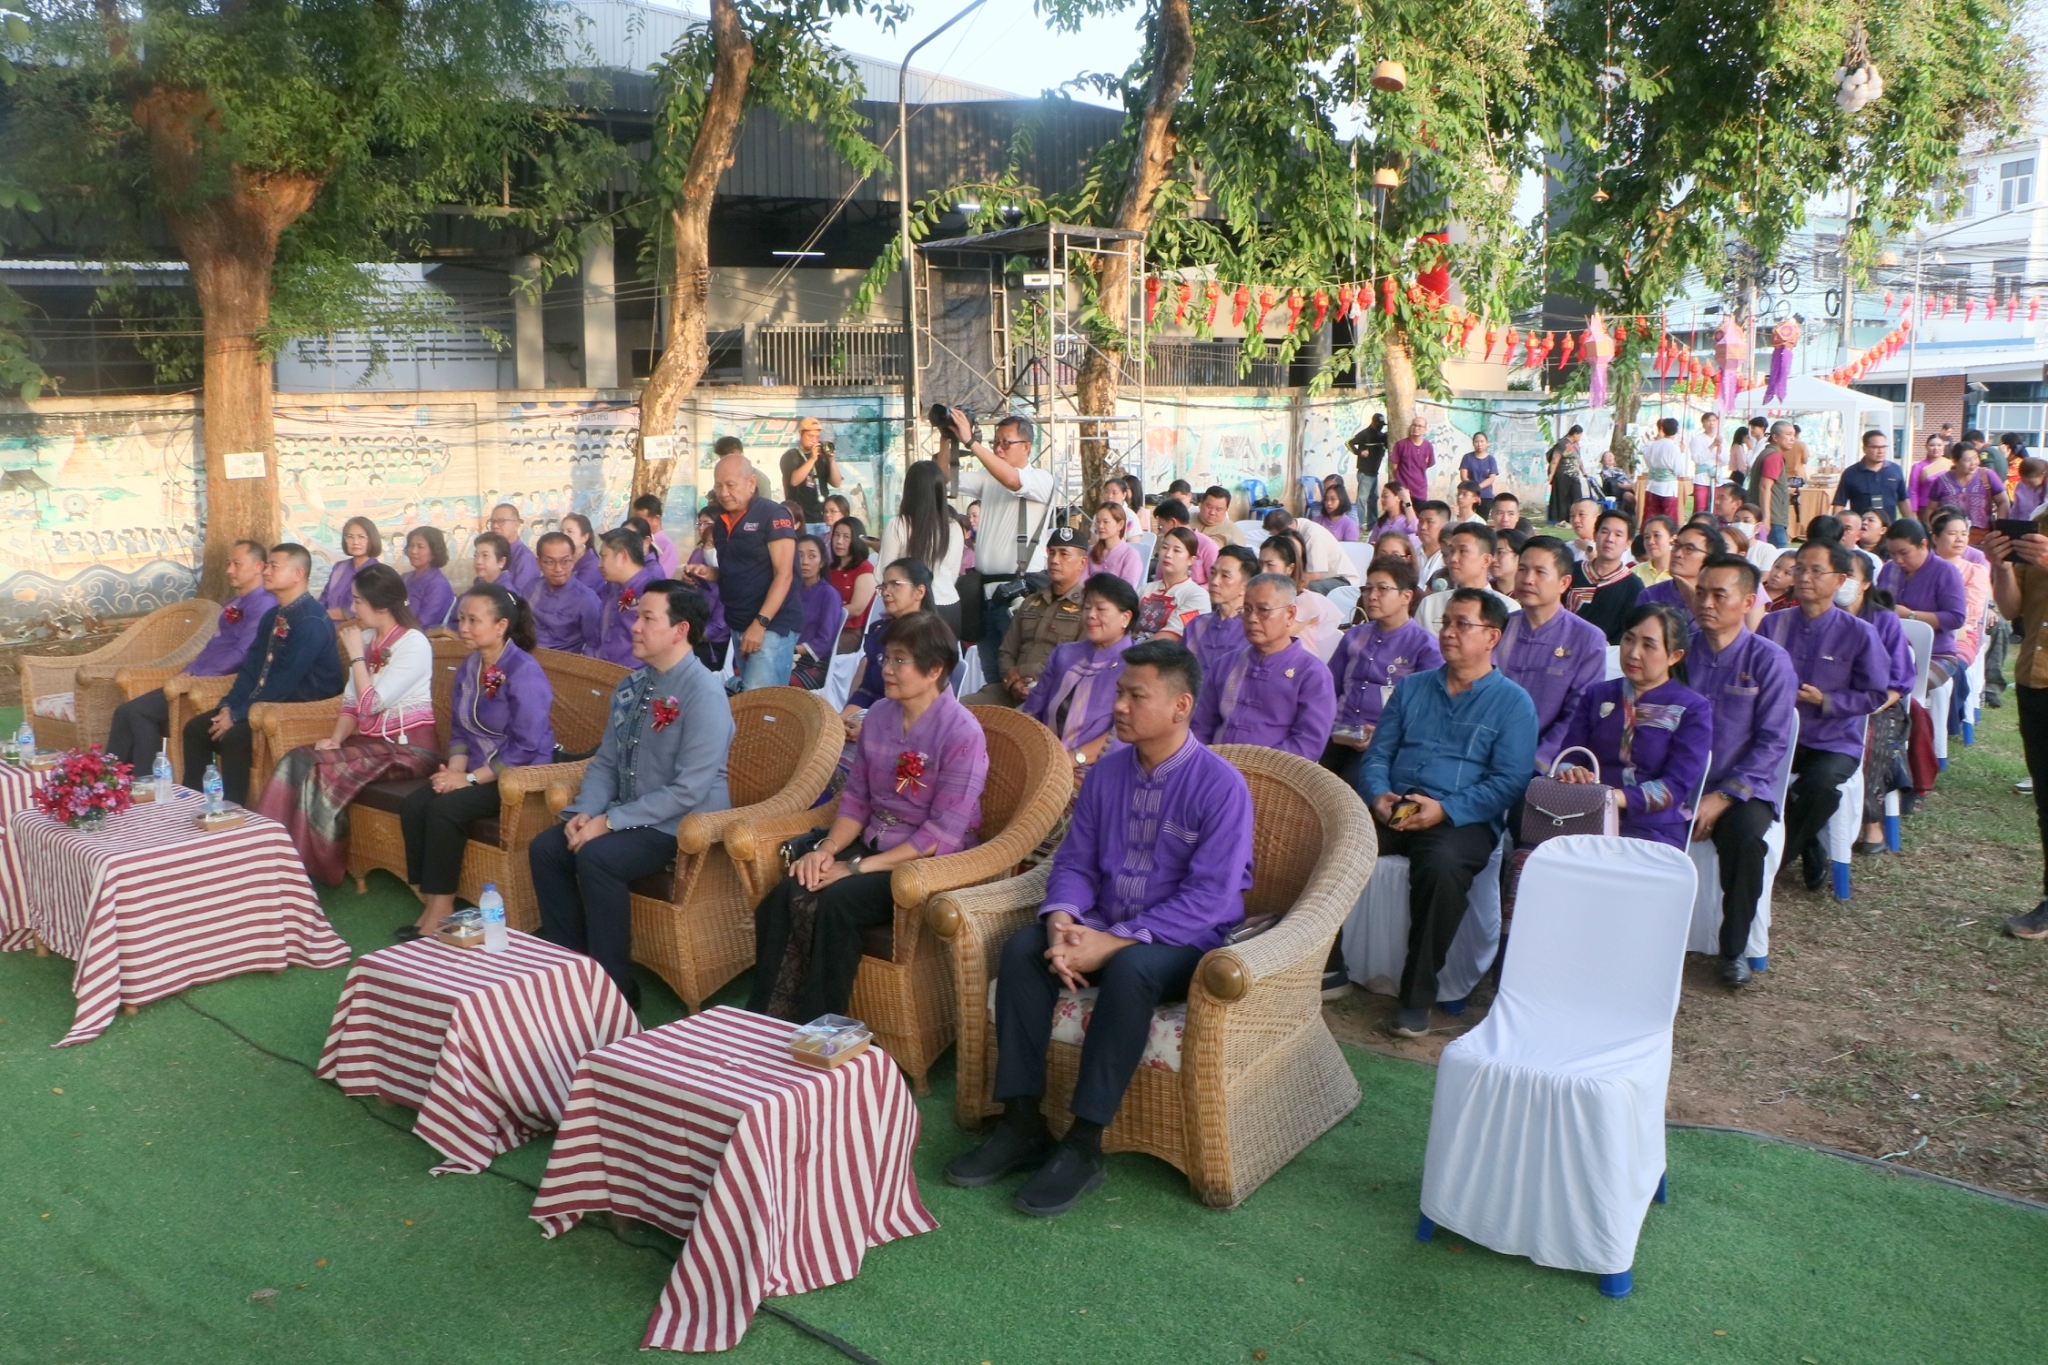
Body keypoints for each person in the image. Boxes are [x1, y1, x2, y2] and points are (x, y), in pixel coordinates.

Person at [944, 638, 1252, 1216]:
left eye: (1138, 696)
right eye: (1120, 693)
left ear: (1181, 705)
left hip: (1183, 945)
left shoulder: (1221, 786)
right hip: (1099, 923)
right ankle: (1020, 1121)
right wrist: (1063, 924)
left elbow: (1210, 898)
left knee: (1134, 967)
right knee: (1022, 950)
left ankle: (1084, 1144)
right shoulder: (1107, 774)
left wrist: (1110, 944)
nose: (1120, 706)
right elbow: (1076, 862)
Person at [750, 612, 986, 1022]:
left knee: (839, 901)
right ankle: (763, 1019)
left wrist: (854, 868)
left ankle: (820, 1029)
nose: (887, 670)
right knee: (787, 891)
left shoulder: (961, 732)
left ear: (934, 670)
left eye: (899, 661)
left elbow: (939, 834)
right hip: (874, 843)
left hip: (928, 863)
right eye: (885, 660)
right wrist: (827, 851)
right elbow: (857, 799)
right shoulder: (878, 716)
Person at [532, 580, 734, 1007]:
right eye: (637, 615)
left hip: (682, 823)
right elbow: (605, 762)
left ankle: (614, 991)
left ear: (680, 631)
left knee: (597, 857)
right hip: (629, 814)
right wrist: (585, 813)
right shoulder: (632, 685)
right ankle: (570, 970)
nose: (635, 627)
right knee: (548, 848)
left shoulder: (705, 693)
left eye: (647, 618)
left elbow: (690, 789)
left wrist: (608, 822)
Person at [1360, 588, 1537, 1037]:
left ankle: (1417, 997)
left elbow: (1509, 781)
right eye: (1447, 623)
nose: (1450, 633)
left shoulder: (1514, 703)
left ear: (1492, 636)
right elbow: (1378, 754)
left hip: (1463, 817)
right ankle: (1329, 964)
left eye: (1463, 624)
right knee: (1337, 840)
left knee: (1441, 866)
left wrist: (1446, 810)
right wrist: (1379, 795)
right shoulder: (1413, 687)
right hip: (1399, 805)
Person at [256, 564, 436, 885]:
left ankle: (307, 871)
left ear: (381, 606)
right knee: (295, 759)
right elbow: (352, 705)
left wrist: (356, 656)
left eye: (358, 602)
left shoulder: (414, 644)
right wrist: (337, 739)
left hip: (410, 750)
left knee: (319, 770)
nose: (352, 609)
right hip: (370, 744)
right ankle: (269, 858)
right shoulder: (366, 637)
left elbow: (371, 704)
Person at [399, 584, 556, 939]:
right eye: (461, 619)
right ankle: (430, 897)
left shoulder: (524, 670)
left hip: (519, 776)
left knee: (444, 809)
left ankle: (442, 906)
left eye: (473, 620)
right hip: (474, 769)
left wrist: (468, 781)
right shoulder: (471, 666)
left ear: (501, 626)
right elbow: (459, 729)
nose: (463, 627)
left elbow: (526, 746)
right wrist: (454, 770)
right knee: (414, 805)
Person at [1685, 553, 1800, 985]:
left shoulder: (1769, 661)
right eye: (1700, 593)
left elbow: (1772, 742)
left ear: (1748, 600)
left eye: (1719, 594)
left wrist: (1724, 796)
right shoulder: (1681, 653)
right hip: (1681, 782)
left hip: (1744, 788)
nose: (1706, 603)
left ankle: (1732, 948)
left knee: (1746, 839)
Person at [1760, 541, 1893, 890]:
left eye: (1816, 570)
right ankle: (1809, 842)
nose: (1804, 577)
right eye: (1799, 568)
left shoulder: (1860, 633)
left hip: (1832, 741)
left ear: (1840, 580)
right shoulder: (1773, 625)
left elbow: (1876, 694)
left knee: (1819, 787)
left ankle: (1773, 860)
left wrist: (1828, 701)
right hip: (1776, 735)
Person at [183, 543, 345, 806]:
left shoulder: (310, 621)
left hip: (301, 709)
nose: (266, 571)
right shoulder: (273, 615)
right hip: (266, 704)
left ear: (297, 574)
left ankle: (233, 813)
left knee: (235, 737)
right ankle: (195, 806)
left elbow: (284, 682)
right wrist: (228, 706)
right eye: (267, 565)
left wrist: (237, 716)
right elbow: (251, 668)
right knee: (197, 729)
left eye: (273, 566)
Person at [1553, 603, 1714, 848]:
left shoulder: (1692, 709)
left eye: (1648, 645)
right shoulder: (1598, 694)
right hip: (1584, 814)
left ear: (1675, 656)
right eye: (1629, 639)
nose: (1633, 653)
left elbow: (1676, 785)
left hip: (1653, 827)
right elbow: (1571, 752)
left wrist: (1614, 798)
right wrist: (1570, 770)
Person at [105, 539, 276, 769]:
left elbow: (243, 653)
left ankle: (144, 784)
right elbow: (211, 648)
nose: (229, 570)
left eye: (236, 564)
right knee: (124, 712)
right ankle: (109, 784)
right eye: (228, 563)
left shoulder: (265, 604)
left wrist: (198, 676)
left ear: (258, 567)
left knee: (137, 713)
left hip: (216, 683)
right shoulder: (234, 602)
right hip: (196, 676)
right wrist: (188, 671)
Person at [936, 410, 1057, 680]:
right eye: (996, 442)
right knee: (992, 672)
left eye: (1006, 442)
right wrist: (948, 438)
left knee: (1021, 672)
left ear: (1026, 447)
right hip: (986, 591)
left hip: (1021, 590)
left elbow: (1013, 480)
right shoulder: (988, 478)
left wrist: (971, 443)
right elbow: (943, 478)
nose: (999, 448)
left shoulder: (1041, 479)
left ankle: (1024, 722)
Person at [1188, 572, 1335, 759]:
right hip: (1216, 768)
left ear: (1290, 614)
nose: (1252, 619)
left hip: (1275, 778)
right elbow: (1201, 726)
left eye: (1263, 610)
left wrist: (1257, 768)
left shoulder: (1312, 673)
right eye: (1247, 609)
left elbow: (1308, 744)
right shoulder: (1226, 664)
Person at [1324, 555, 1442, 788]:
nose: (1372, 596)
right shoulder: (1354, 637)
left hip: (1385, 743)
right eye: (1368, 589)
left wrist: (1383, 735)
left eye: (1382, 589)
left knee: (1349, 789)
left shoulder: (1425, 647)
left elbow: (1426, 711)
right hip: (1338, 734)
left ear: (1406, 596)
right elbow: (1328, 689)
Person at [1497, 536, 1608, 771]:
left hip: (1547, 761)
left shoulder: (1587, 638)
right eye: (1523, 569)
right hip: (1488, 749)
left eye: (1540, 572)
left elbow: (1576, 714)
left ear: (1564, 582)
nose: (1528, 580)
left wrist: (1537, 760)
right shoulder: (1500, 628)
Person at [962, 526, 1089, 709]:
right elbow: (1007, 651)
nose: (1054, 560)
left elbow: (1076, 662)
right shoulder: (1031, 601)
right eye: (1051, 552)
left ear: (1082, 563)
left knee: (1022, 726)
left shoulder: (1087, 607)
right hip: (1012, 689)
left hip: (1053, 695)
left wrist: (1023, 673)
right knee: (961, 710)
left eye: (1064, 554)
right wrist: (1012, 682)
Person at [705, 452, 802, 690]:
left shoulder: (772, 514)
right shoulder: (720, 523)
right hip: (738, 622)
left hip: (771, 625)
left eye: (731, 485)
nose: (724, 493)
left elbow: (784, 574)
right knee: (751, 701)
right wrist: (708, 574)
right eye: (719, 486)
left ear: (751, 483)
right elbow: (735, 572)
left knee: (763, 703)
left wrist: (760, 624)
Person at [1022, 574, 1139, 769]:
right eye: (1086, 607)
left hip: (1100, 768)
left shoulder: (1137, 666)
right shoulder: (1065, 654)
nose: (1091, 615)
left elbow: (1125, 732)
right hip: (1045, 758)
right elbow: (1034, 708)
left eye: (1101, 609)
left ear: (1125, 618)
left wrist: (1073, 759)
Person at [1840, 553, 1914, 856]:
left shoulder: (1884, 621)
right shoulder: (1819, 617)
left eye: (1848, 575)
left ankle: (1872, 822)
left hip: (1880, 704)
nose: (1840, 582)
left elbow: (1899, 681)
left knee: (1870, 737)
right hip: (1828, 702)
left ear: (1865, 583)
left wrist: (1869, 706)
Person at [842, 558, 936, 734]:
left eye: (895, 584)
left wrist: (870, 728)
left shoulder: (930, 640)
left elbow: (920, 708)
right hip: (872, 720)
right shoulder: (881, 632)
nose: (886, 592)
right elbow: (867, 691)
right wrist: (843, 719)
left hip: (910, 731)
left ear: (919, 591)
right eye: (884, 586)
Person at [1878, 517, 1969, 694]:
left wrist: (1910, 615)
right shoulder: (1889, 570)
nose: (1898, 559)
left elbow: (1956, 617)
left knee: (1901, 685)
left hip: (1936, 655)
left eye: (1904, 553)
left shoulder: (1945, 572)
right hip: (1890, 653)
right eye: (1892, 553)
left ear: (1923, 545)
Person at [876, 460, 965, 636]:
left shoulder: (898, 525)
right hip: (950, 607)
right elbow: (953, 574)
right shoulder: (953, 527)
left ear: (909, 490)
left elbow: (883, 575)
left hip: (913, 610)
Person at [1415, 522, 1518, 635]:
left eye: (1463, 551)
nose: (1453, 558)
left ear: (1486, 560)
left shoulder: (1509, 608)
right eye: (1452, 551)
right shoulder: (1429, 605)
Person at [1257, 531, 1342, 661]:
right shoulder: (1256, 597)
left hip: (1299, 667)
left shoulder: (1305, 599)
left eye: (1270, 565)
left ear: (1290, 568)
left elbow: (1282, 633)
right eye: (1261, 564)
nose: (1263, 571)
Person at [588, 527, 663, 670]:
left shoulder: (652, 591)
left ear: (623, 556)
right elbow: (598, 633)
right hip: (601, 672)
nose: (599, 565)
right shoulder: (611, 588)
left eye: (603, 557)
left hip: (634, 677)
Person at [1569, 509, 1647, 643]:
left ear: (1628, 543)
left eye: (1618, 534)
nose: (1610, 539)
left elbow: (1629, 631)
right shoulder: (1571, 572)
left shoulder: (1633, 586)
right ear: (1595, 535)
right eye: (1604, 532)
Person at [1183, 544, 1255, 683]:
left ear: (1244, 587)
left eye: (1225, 576)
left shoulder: (1253, 630)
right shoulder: (1196, 625)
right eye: (1213, 573)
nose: (1215, 582)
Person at [531, 530, 603, 655]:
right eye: (549, 562)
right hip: (529, 657)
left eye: (565, 561)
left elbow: (593, 644)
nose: (558, 569)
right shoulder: (531, 588)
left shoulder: (586, 600)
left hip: (562, 665)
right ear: (539, 563)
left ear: (573, 561)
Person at [791, 535, 846, 690]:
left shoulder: (829, 594)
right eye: (799, 555)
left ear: (822, 562)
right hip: (786, 658)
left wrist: (793, 649)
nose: (805, 562)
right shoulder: (790, 591)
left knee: (774, 682)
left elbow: (825, 640)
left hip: (815, 664)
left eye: (812, 556)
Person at [1135, 527, 1210, 641]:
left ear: (1191, 560)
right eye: (1165, 548)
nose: (1168, 554)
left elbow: (1172, 635)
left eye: (1177, 550)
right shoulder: (1145, 589)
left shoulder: (1197, 596)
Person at [1640, 521, 1726, 619]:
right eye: (1676, 546)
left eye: (1689, 549)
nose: (1677, 554)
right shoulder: (1650, 596)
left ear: (1710, 557)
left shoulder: (1720, 600)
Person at [1929, 442, 2009, 539]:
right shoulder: (1941, 481)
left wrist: (1999, 528)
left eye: (1975, 457)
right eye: (1967, 460)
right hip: (1950, 537)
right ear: (1955, 461)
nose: (1973, 463)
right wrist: (1934, 530)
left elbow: (2003, 501)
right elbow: (1931, 509)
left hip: (1983, 537)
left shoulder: (1987, 475)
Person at [1262, 507, 1355, 588]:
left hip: (1341, 580)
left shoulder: (1312, 535)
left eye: (1279, 535)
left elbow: (1315, 575)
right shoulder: (1296, 526)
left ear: (1288, 528)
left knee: (1304, 588)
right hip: (1323, 578)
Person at [1832, 430, 1910, 521]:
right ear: (1864, 449)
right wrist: (1835, 528)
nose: (1881, 451)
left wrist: (1912, 525)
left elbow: (1903, 500)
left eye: (1884, 447)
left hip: (1889, 528)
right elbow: (1839, 504)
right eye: (1875, 447)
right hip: (1862, 527)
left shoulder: (1896, 470)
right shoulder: (1851, 473)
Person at [780, 416, 839, 536]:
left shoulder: (821, 456)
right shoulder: (791, 456)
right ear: (801, 434)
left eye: (817, 437)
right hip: (802, 519)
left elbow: (836, 482)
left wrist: (831, 460)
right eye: (810, 436)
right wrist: (812, 459)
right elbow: (794, 481)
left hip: (822, 518)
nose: (814, 440)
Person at [826, 516, 876, 654]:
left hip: (851, 631)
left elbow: (856, 609)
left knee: (818, 647)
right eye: (836, 535)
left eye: (846, 537)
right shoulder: (829, 568)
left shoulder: (865, 569)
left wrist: (824, 614)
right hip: (827, 627)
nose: (839, 541)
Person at [320, 516, 382, 621]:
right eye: (350, 536)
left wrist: (320, 615)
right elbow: (324, 599)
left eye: (361, 537)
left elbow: (353, 611)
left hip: (359, 632)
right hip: (327, 627)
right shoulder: (339, 567)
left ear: (371, 539)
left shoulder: (377, 572)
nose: (355, 542)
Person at [1148, 499, 1218, 585]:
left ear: (1173, 523)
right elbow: (1159, 578)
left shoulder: (1207, 546)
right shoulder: (1166, 545)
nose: (1160, 531)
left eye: (1161, 526)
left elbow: (1215, 583)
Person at [401, 526, 455, 631]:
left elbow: (424, 623)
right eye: (411, 546)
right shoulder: (405, 578)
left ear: (434, 552)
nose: (413, 551)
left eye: (420, 547)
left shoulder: (438, 584)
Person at [1751, 422, 1795, 548]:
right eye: (1788, 434)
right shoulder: (1774, 456)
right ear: (1775, 437)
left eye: (1793, 435)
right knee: (1779, 556)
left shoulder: (1769, 453)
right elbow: (1764, 487)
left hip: (1771, 516)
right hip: (1773, 518)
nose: (1792, 438)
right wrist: (1766, 518)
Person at [1637, 416, 1689, 522]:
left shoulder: (1654, 444)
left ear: (1662, 429)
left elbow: (1647, 456)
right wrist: (1682, 453)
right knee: (1668, 516)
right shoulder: (1674, 447)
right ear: (1676, 430)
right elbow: (1678, 470)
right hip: (1668, 486)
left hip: (1653, 485)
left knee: (1650, 514)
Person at [487, 503, 542, 597]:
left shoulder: (525, 558)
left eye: (501, 521)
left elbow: (521, 599)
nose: (495, 526)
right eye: (492, 521)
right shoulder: (493, 552)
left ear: (516, 525)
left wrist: (500, 576)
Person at [1089, 502, 1146, 588]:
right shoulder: (1090, 551)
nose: (1100, 526)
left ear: (1120, 525)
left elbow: (1126, 590)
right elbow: (1082, 583)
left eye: (1106, 522)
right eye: (1097, 521)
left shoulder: (1131, 555)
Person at [631, 494, 681, 577]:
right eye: (635, 520)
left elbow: (660, 578)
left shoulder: (667, 547)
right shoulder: (634, 540)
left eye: (641, 520)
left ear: (656, 519)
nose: (637, 524)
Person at [1546, 425, 1587, 523]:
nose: (1580, 438)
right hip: (1562, 475)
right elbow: (1555, 460)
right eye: (1580, 435)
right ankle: (1561, 519)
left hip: (1574, 476)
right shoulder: (1563, 444)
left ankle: (1574, 518)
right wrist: (1551, 474)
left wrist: (1584, 472)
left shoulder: (1576, 445)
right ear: (1575, 434)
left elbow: (1579, 460)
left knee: (1576, 497)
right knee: (1562, 498)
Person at [1389, 417, 1435, 503]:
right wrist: (1400, 481)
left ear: (1425, 429)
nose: (1416, 428)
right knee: (1406, 510)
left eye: (1420, 426)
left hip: (1420, 491)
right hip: (1404, 491)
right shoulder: (1401, 445)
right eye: (1414, 425)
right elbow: (1394, 466)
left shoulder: (1428, 446)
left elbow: (1426, 465)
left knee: (1419, 514)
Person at [1909, 432, 1954, 516]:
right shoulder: (1918, 467)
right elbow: (1913, 491)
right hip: (1925, 508)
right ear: (1926, 447)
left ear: (1943, 447)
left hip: (1946, 507)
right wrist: (1913, 512)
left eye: (1939, 445)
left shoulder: (1950, 464)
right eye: (1932, 445)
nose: (1936, 448)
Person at [1689, 413, 1723, 519]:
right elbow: (1698, 459)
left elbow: (1725, 460)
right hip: (1702, 478)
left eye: (1714, 420)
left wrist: (1720, 450)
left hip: (1716, 478)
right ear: (1703, 423)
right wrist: (1712, 446)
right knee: (1700, 507)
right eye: (1708, 421)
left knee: (1716, 507)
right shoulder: (1697, 439)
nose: (1711, 423)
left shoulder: (1721, 439)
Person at [1349, 414, 1389, 500]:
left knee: (1374, 498)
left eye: (1382, 426)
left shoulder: (1381, 436)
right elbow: (1349, 443)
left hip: (1374, 472)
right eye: (1378, 425)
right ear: (1373, 423)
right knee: (1362, 499)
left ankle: (1373, 514)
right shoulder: (1364, 434)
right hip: (1365, 472)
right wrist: (1359, 452)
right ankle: (1359, 514)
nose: (1380, 428)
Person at [1413, 501, 1452, 588]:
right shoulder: (1410, 555)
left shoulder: (1451, 559)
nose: (1423, 527)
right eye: (1420, 521)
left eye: (1429, 522)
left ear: (1445, 525)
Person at [561, 512, 603, 592]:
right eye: (562, 531)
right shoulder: (563, 558)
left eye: (570, 531)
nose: (564, 535)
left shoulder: (593, 565)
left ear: (585, 537)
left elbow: (575, 594)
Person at [1368, 481, 1419, 545]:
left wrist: (1407, 501)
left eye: (1385, 496)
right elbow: (1371, 543)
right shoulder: (1381, 522)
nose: (1382, 500)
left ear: (1398, 498)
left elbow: (1415, 528)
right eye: (1381, 497)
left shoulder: (1406, 520)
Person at [1313, 477, 1362, 542]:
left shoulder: (1350, 525)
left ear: (1342, 500)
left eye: (1333, 499)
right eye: (1326, 499)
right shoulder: (1317, 521)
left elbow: (1350, 549)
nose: (1329, 503)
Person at [1459, 432, 1500, 509]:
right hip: (1469, 495)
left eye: (1482, 441)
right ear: (1473, 443)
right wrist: (1472, 489)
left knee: (1482, 520)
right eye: (1477, 442)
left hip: (1486, 496)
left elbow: (1491, 478)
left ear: (1487, 443)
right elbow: (1463, 476)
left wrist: (1477, 488)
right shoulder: (1467, 458)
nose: (1479, 444)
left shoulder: (1491, 460)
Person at [1634, 515, 1677, 586]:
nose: (1651, 542)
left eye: (1657, 535)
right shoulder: (1635, 573)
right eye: (1647, 537)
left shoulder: (1683, 573)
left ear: (1673, 539)